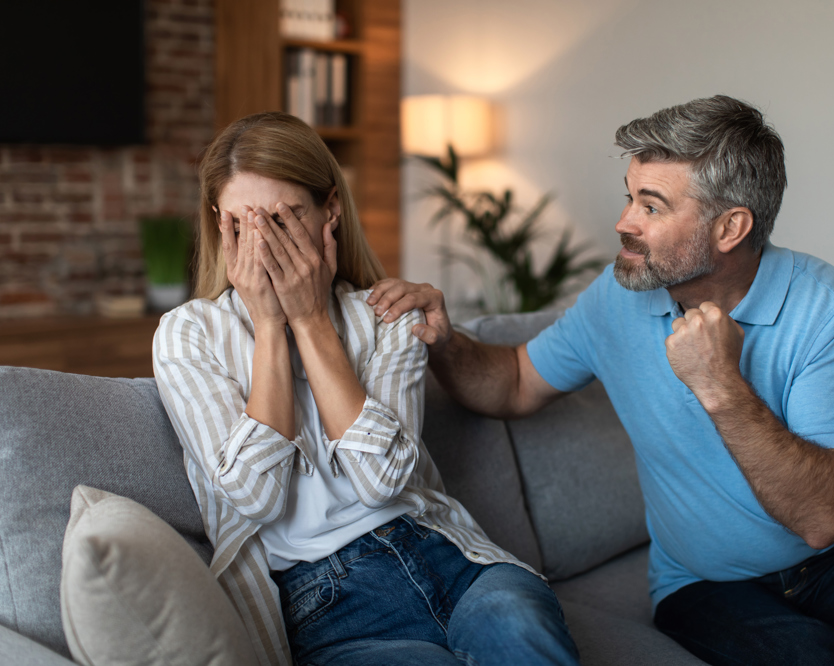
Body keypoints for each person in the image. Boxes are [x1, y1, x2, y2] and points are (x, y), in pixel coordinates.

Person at [368, 96, 834, 665]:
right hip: (703, 584)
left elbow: (824, 520)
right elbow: (511, 383)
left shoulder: (824, 305)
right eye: (629, 196)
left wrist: (719, 384)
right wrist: (446, 338)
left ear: (730, 228)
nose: (623, 222)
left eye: (651, 205)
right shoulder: (618, 297)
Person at [152, 112, 580, 666]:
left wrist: (310, 322)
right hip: (328, 603)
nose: (264, 245)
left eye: (284, 219)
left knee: (522, 634)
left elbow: (382, 483)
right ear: (218, 225)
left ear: (330, 209)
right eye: (242, 223)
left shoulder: (386, 315)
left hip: (445, 555)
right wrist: (269, 329)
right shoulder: (188, 334)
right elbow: (257, 497)